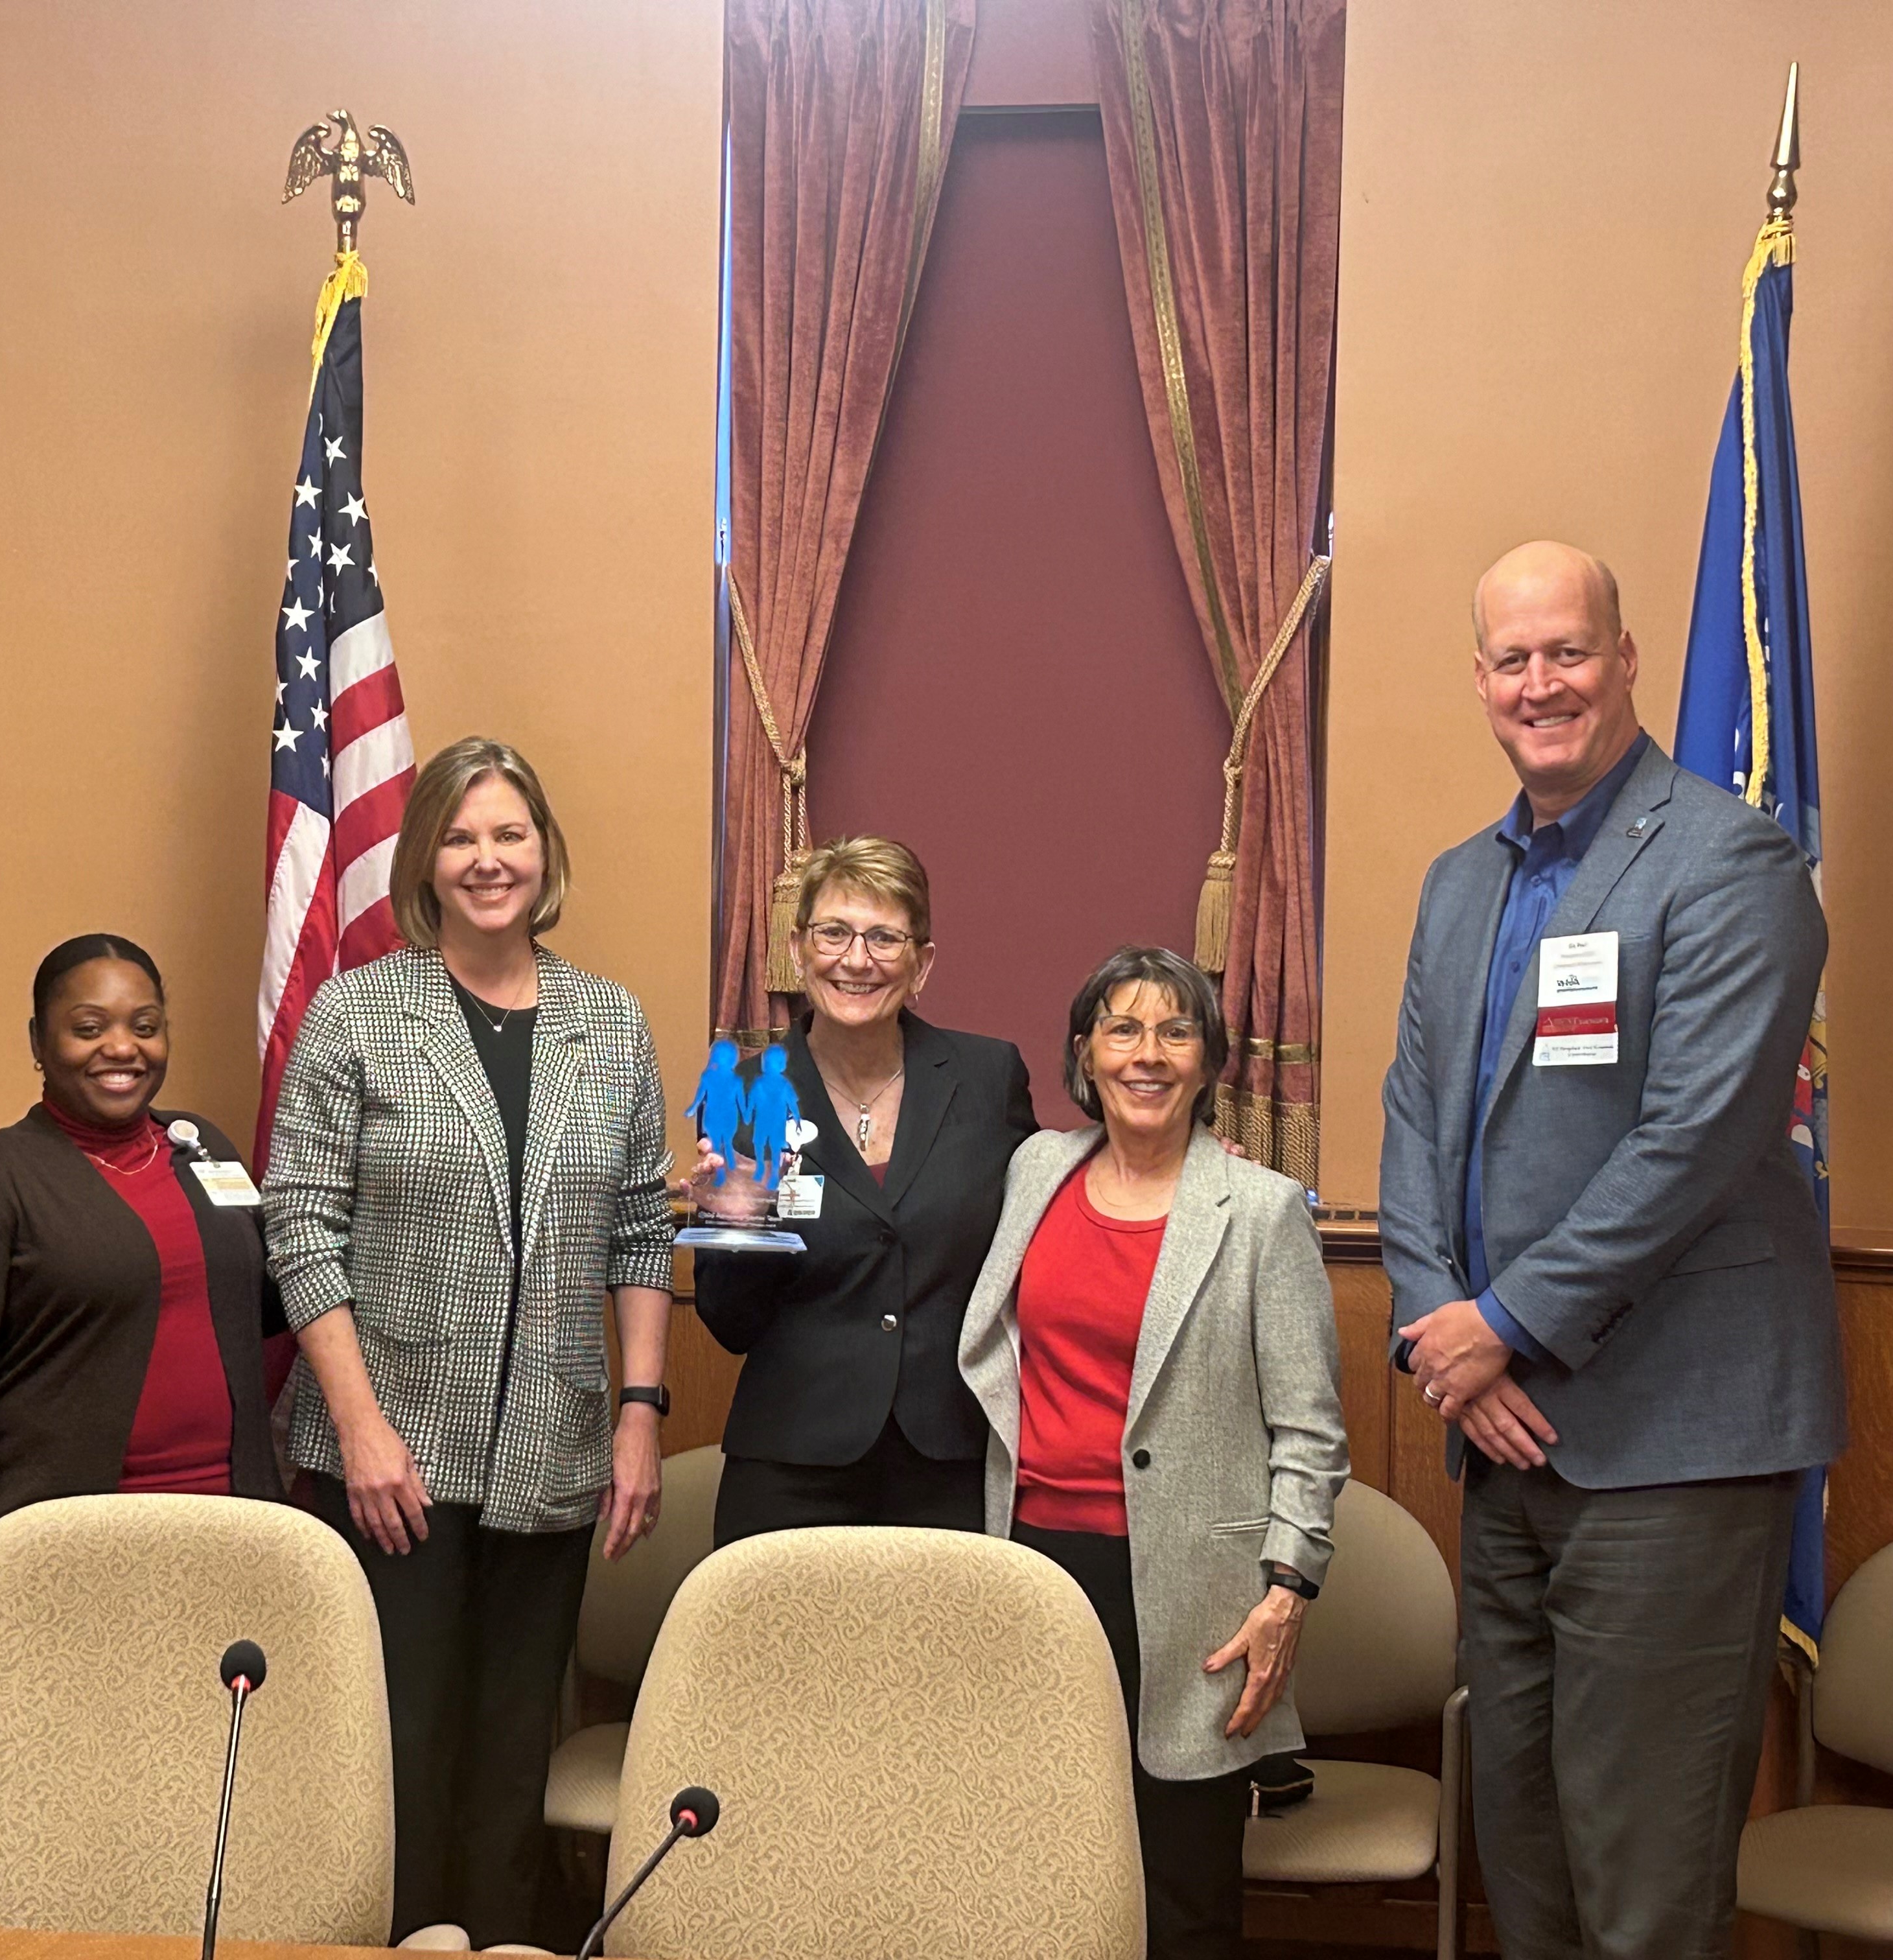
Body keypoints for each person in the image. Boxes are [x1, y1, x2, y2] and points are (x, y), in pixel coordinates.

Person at [1381, 541, 1840, 1960]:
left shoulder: (1730, 862)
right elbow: (1414, 1124)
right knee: (1528, 1865)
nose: (1542, 684)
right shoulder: (1462, 884)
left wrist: (1501, 1323)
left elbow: (1694, 1142)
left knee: (1642, 1888)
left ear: (1627, 658)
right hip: (1501, 1442)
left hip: (1675, 1451)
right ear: (1480, 682)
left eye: (1568, 651)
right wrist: (1444, 1333)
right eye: (1513, 660)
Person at [262, 736, 674, 1948]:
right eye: (460, 836)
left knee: (510, 1757)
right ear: (424, 859)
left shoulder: (607, 1018)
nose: (487, 859)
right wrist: (358, 1423)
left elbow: (640, 1227)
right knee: (397, 1748)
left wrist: (640, 1413)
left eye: (508, 833)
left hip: (551, 1453)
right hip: (392, 1460)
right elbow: (300, 1222)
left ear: (542, 849)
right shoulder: (359, 1006)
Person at [958, 945, 1345, 1960]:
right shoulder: (1035, 1170)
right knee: (1040, 1869)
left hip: (1193, 1592)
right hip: (1033, 1568)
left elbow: (1311, 1429)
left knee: (1184, 1894)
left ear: (1210, 1061)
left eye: (1176, 1032)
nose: (1147, 1054)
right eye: (1122, 1030)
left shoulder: (1261, 1211)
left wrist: (1286, 1589)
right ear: (1084, 1053)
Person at [0, 935, 283, 1606]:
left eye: (145, 1026)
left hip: (232, 1532)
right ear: (38, 1042)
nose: (122, 1048)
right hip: (67, 1550)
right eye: (88, 1028)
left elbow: (264, 1311)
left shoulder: (205, 1149)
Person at [687, 835, 1037, 1546]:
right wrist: (737, 1231)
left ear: (922, 963)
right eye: (834, 933)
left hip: (947, 1462)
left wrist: (1187, 1153)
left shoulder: (987, 1077)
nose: (856, 959)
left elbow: (1057, 1192)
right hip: (791, 1461)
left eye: (884, 937)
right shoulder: (746, 1090)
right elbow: (731, 1326)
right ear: (798, 948)